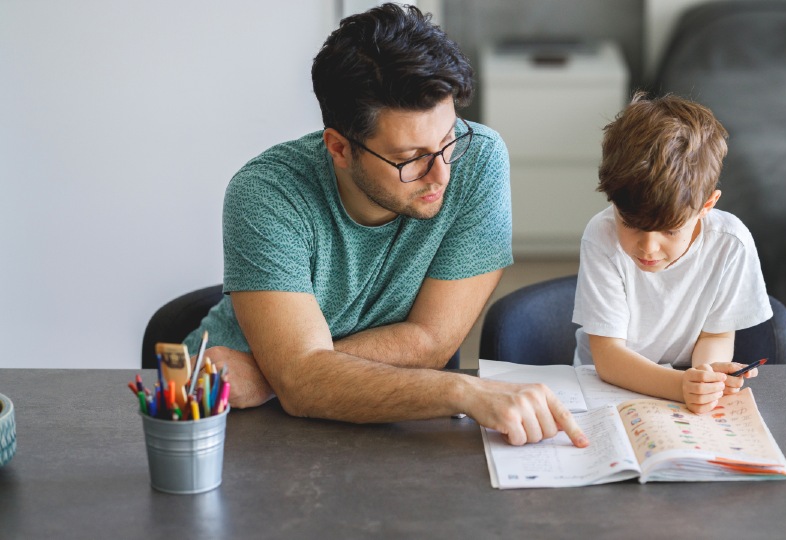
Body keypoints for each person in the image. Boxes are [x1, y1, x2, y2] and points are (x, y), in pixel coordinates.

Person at [183, 4, 587, 448]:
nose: (441, 175)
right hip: (234, 413)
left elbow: (431, 341)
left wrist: (282, 373)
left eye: (449, 138)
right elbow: (300, 387)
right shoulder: (266, 193)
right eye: (409, 158)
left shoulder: (479, 161)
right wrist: (463, 390)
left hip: (313, 398)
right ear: (339, 148)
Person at [572, 92, 773, 414]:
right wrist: (680, 387)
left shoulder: (730, 243)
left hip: (683, 383)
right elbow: (608, 357)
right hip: (604, 387)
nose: (648, 248)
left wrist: (704, 378)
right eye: (632, 225)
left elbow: (715, 334)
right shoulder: (601, 235)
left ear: (707, 205)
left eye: (669, 230)